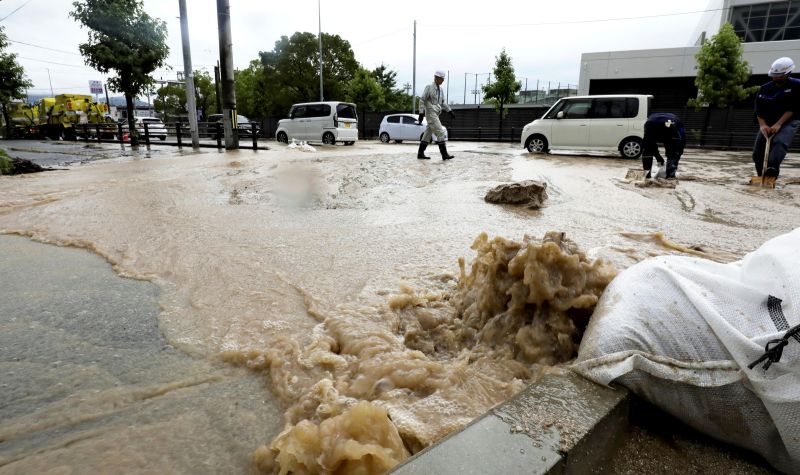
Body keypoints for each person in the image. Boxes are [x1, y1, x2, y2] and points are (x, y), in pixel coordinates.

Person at [753, 56, 800, 178]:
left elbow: (793, 108)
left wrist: (779, 124)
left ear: (788, 73)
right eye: (774, 75)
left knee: (779, 142)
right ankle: (760, 177)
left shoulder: (797, 86)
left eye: (778, 75)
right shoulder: (765, 88)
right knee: (758, 153)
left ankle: (772, 171)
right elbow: (759, 109)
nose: (775, 77)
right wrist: (763, 125)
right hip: (767, 121)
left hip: (789, 120)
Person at [417, 70, 455, 160]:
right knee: (440, 132)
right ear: (436, 78)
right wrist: (421, 113)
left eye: (443, 79)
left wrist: (450, 111)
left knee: (427, 134)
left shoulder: (441, 90)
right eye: (441, 79)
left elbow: (442, 102)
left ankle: (420, 153)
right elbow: (422, 100)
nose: (442, 81)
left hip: (436, 113)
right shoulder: (429, 87)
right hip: (431, 113)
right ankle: (444, 154)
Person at [641, 112, 685, 179]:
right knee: (673, 153)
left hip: (651, 123)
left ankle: (646, 175)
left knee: (647, 148)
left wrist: (658, 157)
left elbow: (650, 144)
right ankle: (670, 177)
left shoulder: (651, 118)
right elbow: (680, 145)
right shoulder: (679, 124)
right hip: (672, 125)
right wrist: (677, 154)